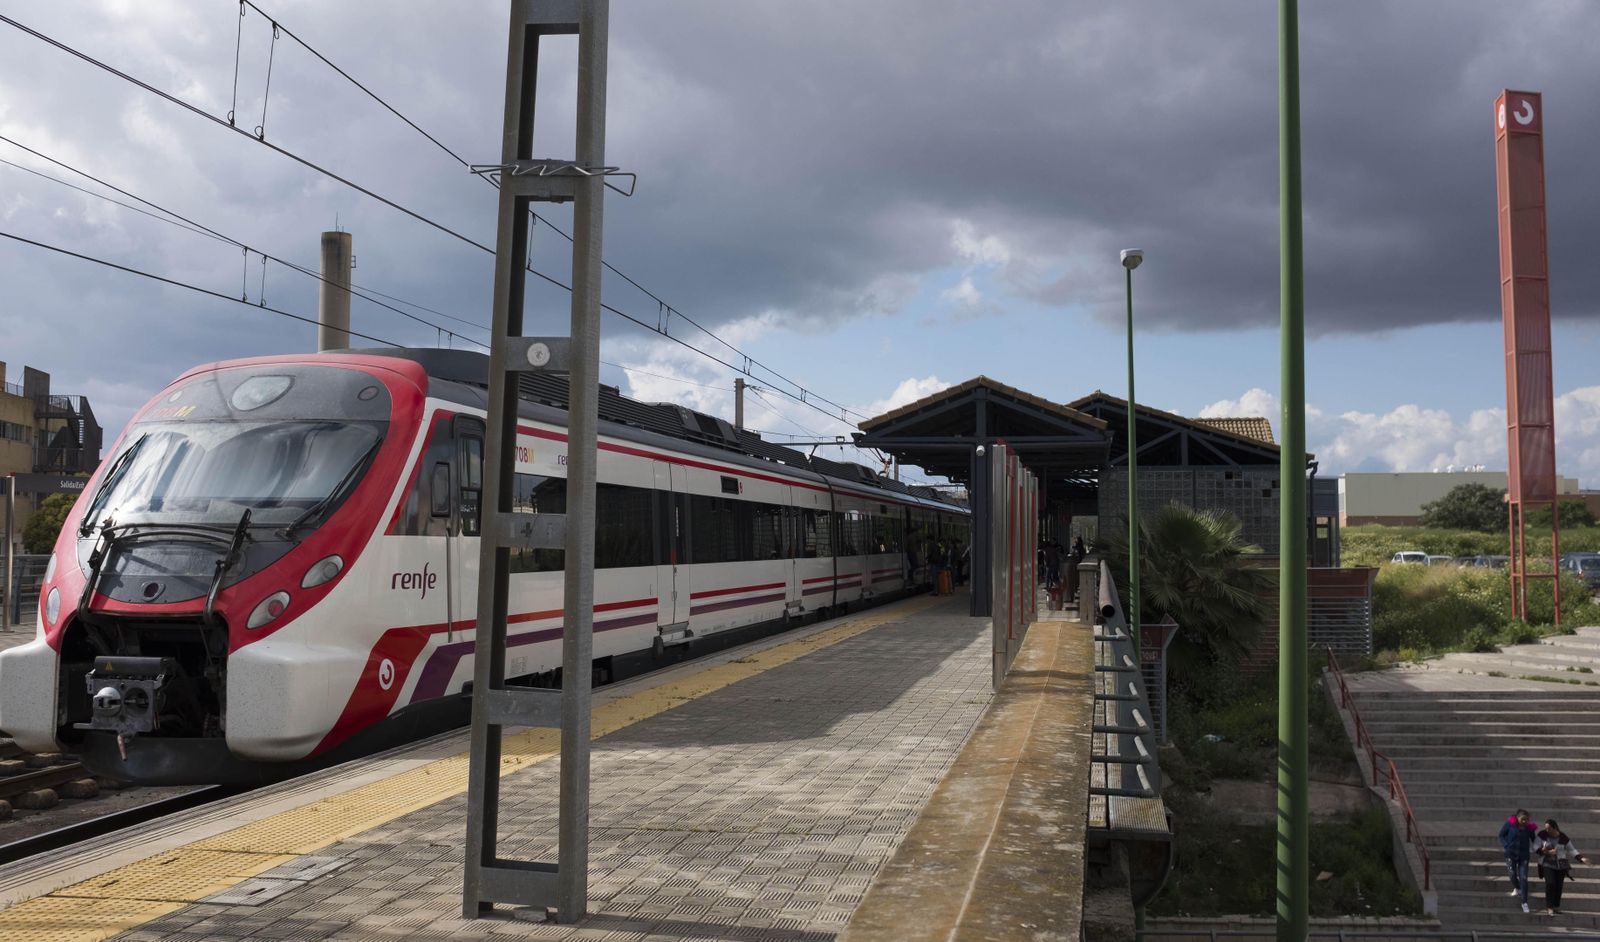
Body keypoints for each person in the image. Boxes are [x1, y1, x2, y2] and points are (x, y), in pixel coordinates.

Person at [1537, 819, 1589, 915]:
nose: (1546, 830)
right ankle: (1549, 907)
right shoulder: (1542, 835)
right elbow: (1535, 847)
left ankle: (1556, 906)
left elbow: (1572, 850)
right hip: (1547, 863)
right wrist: (1545, 851)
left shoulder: (1563, 837)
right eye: (1545, 828)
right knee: (1550, 884)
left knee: (1558, 886)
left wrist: (1581, 858)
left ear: (1554, 828)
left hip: (1560, 865)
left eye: (1548, 829)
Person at [1500, 809, 1539, 913]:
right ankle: (1517, 888)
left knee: (1524, 878)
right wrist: (1506, 845)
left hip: (1523, 856)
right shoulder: (1510, 824)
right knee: (1512, 874)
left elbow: (1534, 840)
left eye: (1527, 820)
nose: (1525, 822)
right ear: (1517, 818)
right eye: (1523, 819)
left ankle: (1524, 902)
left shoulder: (1529, 828)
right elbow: (1501, 835)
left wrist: (1538, 848)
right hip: (1511, 854)